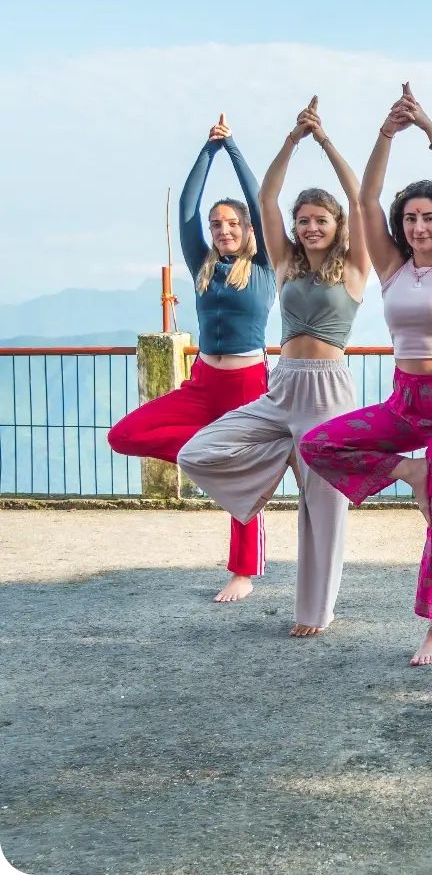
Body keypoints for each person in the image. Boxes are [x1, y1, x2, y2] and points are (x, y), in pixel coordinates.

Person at [300, 84, 432, 666]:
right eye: (410, 218)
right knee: (318, 444)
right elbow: (365, 199)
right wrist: (385, 135)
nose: (418, 226)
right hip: (406, 402)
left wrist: (429, 128)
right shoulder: (392, 267)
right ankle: (410, 470)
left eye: (429, 218)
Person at [179, 97, 369, 637]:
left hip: (328, 394)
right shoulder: (282, 263)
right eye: (302, 220)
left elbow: (358, 196)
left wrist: (325, 141)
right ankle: (265, 480)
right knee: (200, 451)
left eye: (319, 220)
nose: (310, 227)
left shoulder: (355, 267)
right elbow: (264, 196)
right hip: (281, 385)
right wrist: (291, 139)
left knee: (323, 515)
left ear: (336, 225)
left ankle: (314, 614)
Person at [107, 114, 276, 603]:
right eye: (216, 224)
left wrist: (233, 148)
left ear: (247, 230)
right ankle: (213, 457)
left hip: (247, 386)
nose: (222, 230)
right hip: (201, 384)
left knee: (246, 488)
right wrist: (208, 149)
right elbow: (186, 207)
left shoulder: (264, 266)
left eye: (231, 224)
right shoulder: (203, 266)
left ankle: (243, 572)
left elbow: (264, 204)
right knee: (124, 435)